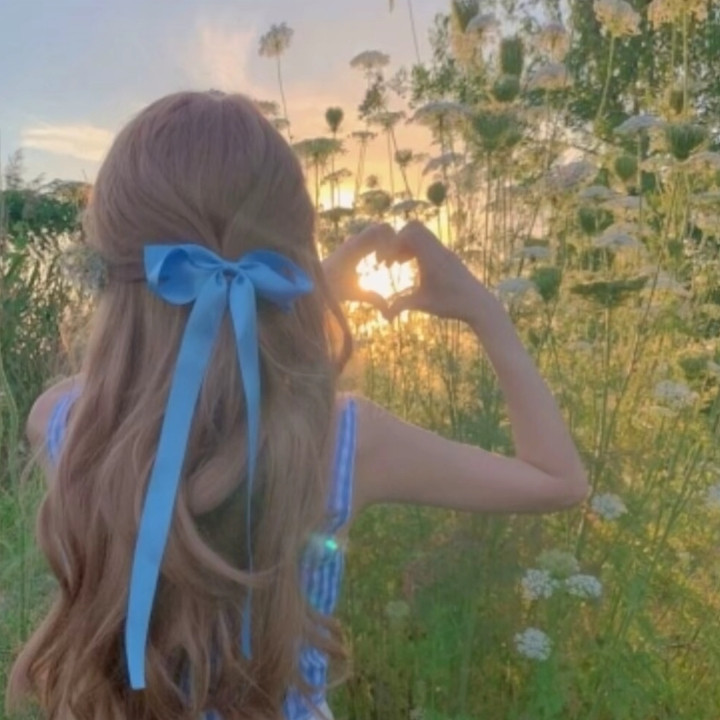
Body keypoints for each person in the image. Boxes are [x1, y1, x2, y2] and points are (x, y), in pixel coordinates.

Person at [6, 91, 588, 720]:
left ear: (113, 266)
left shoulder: (63, 423)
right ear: (291, 255)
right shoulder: (342, 439)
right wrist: (484, 311)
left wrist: (276, 299)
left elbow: (158, 375)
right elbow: (556, 479)